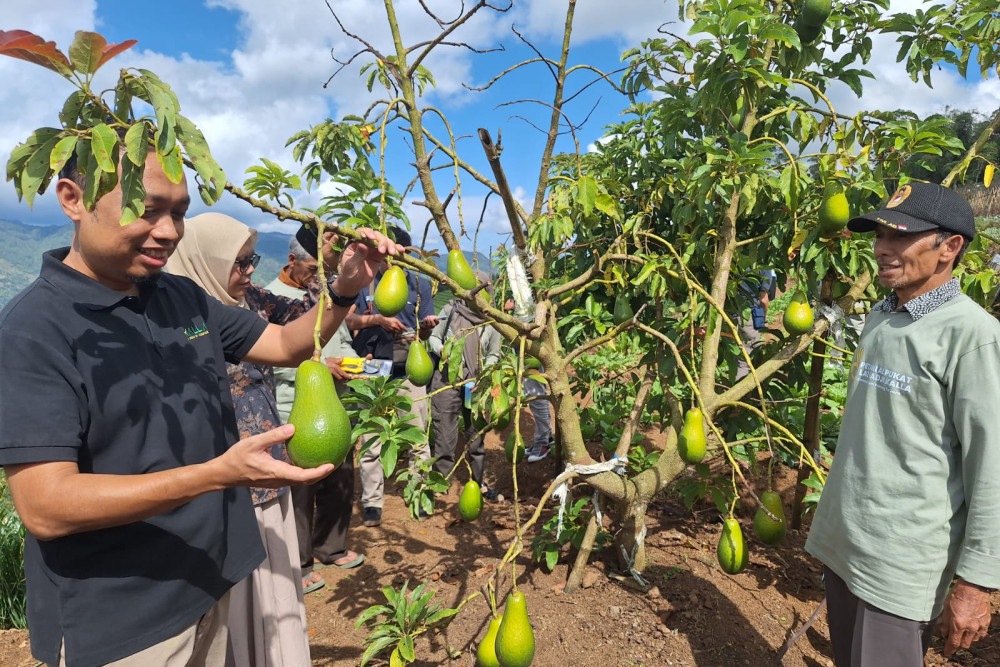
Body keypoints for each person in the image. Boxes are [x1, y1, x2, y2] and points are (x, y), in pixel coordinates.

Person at [0, 147, 401, 667]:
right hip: (123, 622)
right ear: (73, 200)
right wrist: (217, 475)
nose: (168, 231)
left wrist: (346, 286)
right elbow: (46, 507)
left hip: (211, 580)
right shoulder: (34, 329)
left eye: (179, 212)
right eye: (146, 210)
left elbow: (285, 345)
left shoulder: (181, 297)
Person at [804, 182, 1000, 666]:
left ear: (949, 248)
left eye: (901, 238)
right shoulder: (881, 315)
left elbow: (991, 465)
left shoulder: (973, 336)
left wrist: (977, 583)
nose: (881, 250)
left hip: (900, 561)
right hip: (847, 542)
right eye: (879, 237)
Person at [165, 212, 328, 666]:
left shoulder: (251, 300)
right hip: (221, 479)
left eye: (252, 259)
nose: (250, 270)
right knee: (235, 602)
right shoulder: (179, 316)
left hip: (268, 465)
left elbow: (306, 325)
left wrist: (330, 272)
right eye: (240, 262)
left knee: (276, 587)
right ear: (207, 262)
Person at [266, 232, 365, 591]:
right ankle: (301, 562)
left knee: (339, 481)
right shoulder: (272, 300)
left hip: (335, 408)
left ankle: (331, 546)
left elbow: (339, 341)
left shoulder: (319, 299)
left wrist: (352, 361)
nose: (316, 275)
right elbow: (270, 360)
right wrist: (320, 366)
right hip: (295, 411)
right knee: (300, 493)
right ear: (291, 261)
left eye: (321, 269)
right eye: (312, 268)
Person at [347, 225, 438, 526]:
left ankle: (420, 493)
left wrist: (426, 328)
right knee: (373, 436)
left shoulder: (419, 284)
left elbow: (423, 329)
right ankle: (372, 502)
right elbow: (346, 319)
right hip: (371, 364)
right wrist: (377, 319)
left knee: (417, 435)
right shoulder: (364, 281)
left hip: (408, 366)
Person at [428, 271, 501, 497]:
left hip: (475, 384)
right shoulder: (451, 309)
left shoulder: (492, 319)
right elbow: (433, 337)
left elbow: (494, 354)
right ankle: (441, 482)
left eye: (482, 290)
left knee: (476, 435)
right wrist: (441, 350)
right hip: (446, 380)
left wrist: (486, 374)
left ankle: (477, 482)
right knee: (444, 433)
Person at [502, 298, 554, 463]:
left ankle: (543, 442)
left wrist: (515, 307)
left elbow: (533, 308)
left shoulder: (532, 292)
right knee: (535, 396)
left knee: (535, 395)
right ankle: (544, 438)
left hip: (532, 348)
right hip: (525, 346)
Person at [734, 269, 776, 381]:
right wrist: (764, 316)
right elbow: (763, 300)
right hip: (747, 317)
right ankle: (741, 394)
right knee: (746, 361)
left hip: (727, 314)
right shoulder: (764, 266)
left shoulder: (733, 259)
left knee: (734, 359)